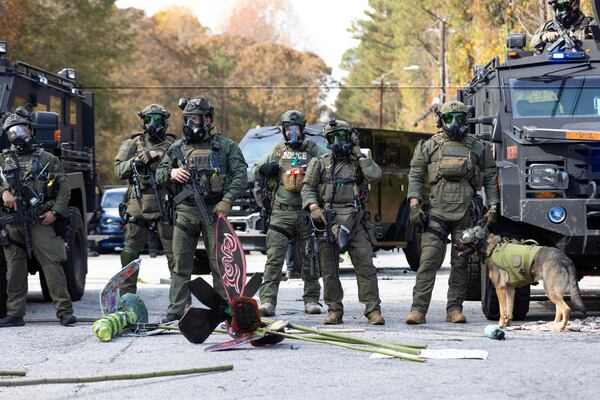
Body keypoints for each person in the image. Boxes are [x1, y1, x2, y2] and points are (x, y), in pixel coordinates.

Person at [405, 100, 499, 325]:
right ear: (441, 121)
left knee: (461, 264)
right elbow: (416, 175)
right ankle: (418, 310)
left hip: (466, 214)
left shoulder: (478, 147)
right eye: (449, 118)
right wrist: (414, 204)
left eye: (459, 118)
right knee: (428, 262)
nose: (454, 123)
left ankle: (454, 308)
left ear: (466, 120)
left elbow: (489, 177)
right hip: (436, 213)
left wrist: (493, 206)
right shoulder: (429, 145)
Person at [156, 97, 247, 323]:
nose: (190, 123)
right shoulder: (177, 148)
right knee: (180, 265)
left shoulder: (225, 146)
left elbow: (240, 175)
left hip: (214, 211)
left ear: (208, 120)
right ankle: (175, 311)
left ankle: (224, 310)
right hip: (186, 212)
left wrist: (226, 200)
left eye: (195, 118)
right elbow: (159, 174)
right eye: (187, 119)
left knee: (220, 263)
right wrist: (171, 173)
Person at [301, 119, 384, 325]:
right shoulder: (319, 163)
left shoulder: (360, 161)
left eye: (342, 136)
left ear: (351, 137)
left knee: (365, 266)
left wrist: (359, 154)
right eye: (332, 137)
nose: (337, 141)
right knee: (329, 270)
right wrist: (313, 207)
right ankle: (334, 310)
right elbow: (307, 189)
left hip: (355, 221)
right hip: (327, 220)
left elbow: (375, 176)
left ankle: (373, 310)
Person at [0, 109, 76, 327]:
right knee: (14, 268)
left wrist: (55, 212)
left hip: (39, 220)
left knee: (52, 265)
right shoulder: (3, 160)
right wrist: (3, 192)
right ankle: (15, 314)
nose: (18, 136)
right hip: (12, 222)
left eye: (21, 130)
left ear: (30, 130)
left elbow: (64, 188)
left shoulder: (47, 159)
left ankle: (64, 311)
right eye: (12, 133)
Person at [253, 110, 324, 316]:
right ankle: (267, 301)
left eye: (296, 129)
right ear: (283, 130)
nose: (292, 133)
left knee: (310, 258)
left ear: (303, 129)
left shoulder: (313, 150)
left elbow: (328, 165)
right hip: (280, 213)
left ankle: (311, 300)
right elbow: (255, 170)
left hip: (306, 213)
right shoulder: (277, 151)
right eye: (288, 129)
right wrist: (265, 169)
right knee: (274, 259)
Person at [114, 104, 177, 295]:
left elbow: (184, 167)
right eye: (149, 119)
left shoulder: (174, 145)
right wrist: (137, 161)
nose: (153, 124)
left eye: (158, 119)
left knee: (175, 255)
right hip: (137, 203)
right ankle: (126, 299)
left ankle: (181, 303)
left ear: (165, 123)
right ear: (142, 122)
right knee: (130, 253)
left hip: (165, 201)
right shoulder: (132, 144)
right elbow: (118, 171)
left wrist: (161, 155)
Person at [531, 0, 596, 52]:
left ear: (574, 6)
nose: (559, 11)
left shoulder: (591, 23)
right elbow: (533, 43)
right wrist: (544, 36)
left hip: (585, 62)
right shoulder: (550, 25)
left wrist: (590, 36)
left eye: (562, 7)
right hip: (555, 65)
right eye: (556, 7)